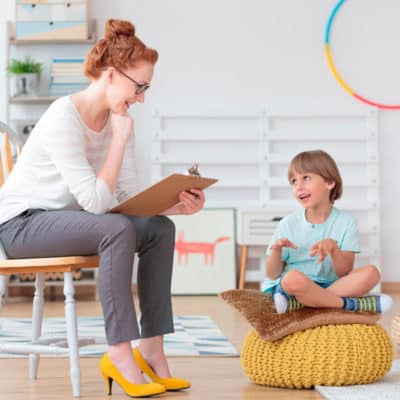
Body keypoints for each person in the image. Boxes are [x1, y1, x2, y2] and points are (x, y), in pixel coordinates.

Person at [0, 19, 203, 397]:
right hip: (20, 225)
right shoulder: (64, 117)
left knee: (158, 229)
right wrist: (117, 142)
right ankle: (119, 353)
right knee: (117, 230)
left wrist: (174, 206)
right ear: (111, 74)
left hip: (70, 221)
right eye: (138, 87)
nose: (141, 98)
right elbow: (97, 204)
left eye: (146, 89)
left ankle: (152, 349)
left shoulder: (120, 122)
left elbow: (126, 199)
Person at [262, 150, 392, 315]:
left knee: (372, 273)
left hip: (331, 285)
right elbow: (272, 274)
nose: (298, 186)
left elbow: (344, 272)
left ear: (329, 182)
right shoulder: (287, 224)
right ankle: (350, 305)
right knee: (292, 278)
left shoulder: (346, 222)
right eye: (293, 181)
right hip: (296, 286)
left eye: (306, 178)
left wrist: (334, 249)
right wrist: (276, 250)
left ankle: (304, 303)